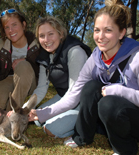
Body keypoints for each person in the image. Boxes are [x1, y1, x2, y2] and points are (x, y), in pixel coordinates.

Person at [29, 0, 139, 154]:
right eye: (96, 30)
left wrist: (119, 91)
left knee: (108, 103)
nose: (100, 37)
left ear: (121, 32)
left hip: (132, 116)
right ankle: (84, 136)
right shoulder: (95, 59)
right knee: (90, 88)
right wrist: (42, 113)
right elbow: (74, 95)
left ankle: (125, 150)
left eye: (108, 30)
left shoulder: (136, 57)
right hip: (117, 117)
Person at [24, 16, 91, 138]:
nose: (46, 39)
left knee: (50, 128)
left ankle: (89, 122)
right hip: (63, 96)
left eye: (51, 34)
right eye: (42, 36)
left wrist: (44, 113)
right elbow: (41, 89)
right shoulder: (44, 55)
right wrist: (22, 110)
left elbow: (74, 95)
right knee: (38, 120)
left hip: (83, 100)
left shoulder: (75, 52)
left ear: (61, 34)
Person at [0, 8, 40, 110]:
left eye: (14, 25)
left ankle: (13, 113)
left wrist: (26, 60)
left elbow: (43, 70)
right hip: (8, 78)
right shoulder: (0, 45)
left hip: (30, 81)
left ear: (23, 25)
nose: (11, 30)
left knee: (23, 66)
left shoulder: (36, 44)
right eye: (6, 27)